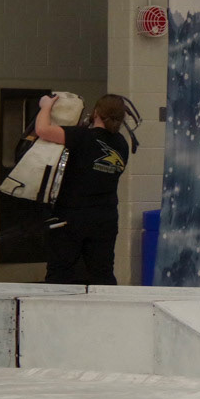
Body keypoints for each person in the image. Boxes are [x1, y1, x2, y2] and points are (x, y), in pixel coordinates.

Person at [34, 93, 131, 285]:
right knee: (102, 273)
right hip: (105, 218)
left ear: (96, 112)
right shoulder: (122, 144)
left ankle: (53, 305)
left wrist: (46, 106)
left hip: (71, 215)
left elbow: (42, 130)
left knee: (59, 272)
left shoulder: (82, 136)